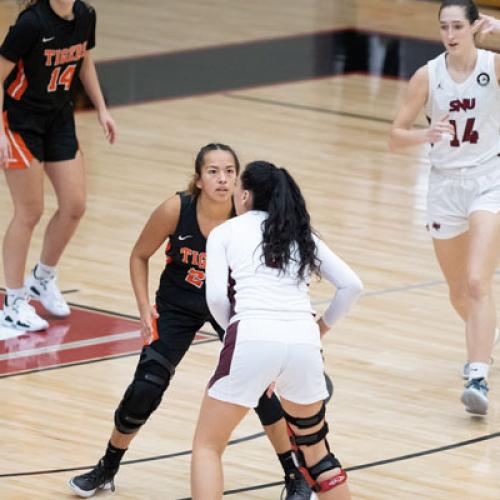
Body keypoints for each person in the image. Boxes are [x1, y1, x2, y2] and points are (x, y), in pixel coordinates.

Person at [69, 144, 314, 499]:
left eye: (230, 171)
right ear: (198, 179)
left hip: (231, 308)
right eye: (213, 171)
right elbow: (139, 255)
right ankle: (107, 466)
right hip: (176, 306)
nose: (222, 178)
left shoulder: (246, 216)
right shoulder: (176, 208)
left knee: (262, 388)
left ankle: (295, 476)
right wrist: (142, 307)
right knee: (145, 387)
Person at [191, 161, 363, 499]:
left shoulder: (225, 231)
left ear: (245, 195)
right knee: (317, 454)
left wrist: (236, 335)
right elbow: (352, 286)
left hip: (251, 334)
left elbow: (214, 297)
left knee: (207, 446)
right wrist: (320, 329)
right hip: (303, 341)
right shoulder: (300, 233)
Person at [389, 0, 500, 415]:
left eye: (458, 26)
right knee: (459, 293)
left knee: (476, 281)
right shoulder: (428, 76)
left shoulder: (493, 64)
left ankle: (477, 376)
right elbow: (395, 136)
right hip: (443, 187)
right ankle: (487, 336)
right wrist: (425, 135)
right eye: (444, 27)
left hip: (490, 180)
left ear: (474, 27)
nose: (450, 34)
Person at [0, 0, 116, 331]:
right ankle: (13, 301)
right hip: (21, 121)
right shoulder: (31, 23)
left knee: (75, 206)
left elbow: (84, 61)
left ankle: (42, 277)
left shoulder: (85, 15)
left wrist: (102, 109)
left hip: (59, 118)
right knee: (29, 211)